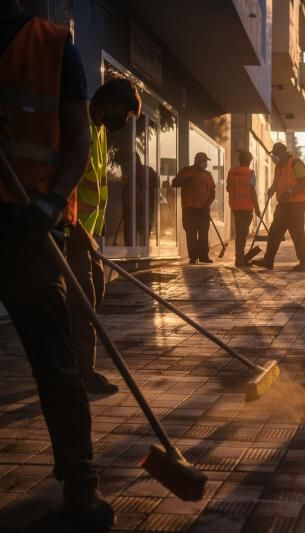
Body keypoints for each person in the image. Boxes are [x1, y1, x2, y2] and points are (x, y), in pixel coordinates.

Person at [0, 1, 115, 529]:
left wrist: (53, 205)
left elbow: (75, 142)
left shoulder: (52, 46)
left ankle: (81, 490)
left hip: (28, 226)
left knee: (53, 360)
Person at [68, 78, 141, 395]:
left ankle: (71, 364)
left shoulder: (98, 131)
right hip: (70, 233)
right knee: (82, 303)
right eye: (124, 113)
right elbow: (65, 184)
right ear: (109, 102)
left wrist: (95, 233)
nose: (123, 121)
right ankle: (83, 372)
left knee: (93, 293)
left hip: (88, 235)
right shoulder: (78, 125)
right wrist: (76, 229)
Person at [253, 142, 305, 271]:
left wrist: (290, 192)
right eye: (273, 154)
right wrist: (272, 189)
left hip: (296, 206)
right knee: (274, 232)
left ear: (284, 153)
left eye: (276, 154)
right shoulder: (278, 167)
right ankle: (268, 260)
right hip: (283, 205)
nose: (274, 156)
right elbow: (276, 182)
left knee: (297, 234)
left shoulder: (296, 163)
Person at [172, 152, 215, 264]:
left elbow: (212, 192)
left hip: (203, 210)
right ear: (197, 160)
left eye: (206, 161)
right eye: (204, 161)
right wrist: (185, 181)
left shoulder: (208, 175)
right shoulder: (186, 171)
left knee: (203, 234)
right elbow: (174, 183)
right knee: (191, 234)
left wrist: (208, 204)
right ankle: (193, 257)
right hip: (189, 209)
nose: (205, 163)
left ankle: (203, 256)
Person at [226, 150, 260, 267]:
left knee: (239, 233)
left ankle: (239, 257)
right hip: (246, 207)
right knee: (242, 234)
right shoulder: (250, 173)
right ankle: (240, 259)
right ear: (249, 160)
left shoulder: (232, 171)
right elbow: (252, 192)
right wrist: (257, 208)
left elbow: (228, 188)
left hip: (235, 207)